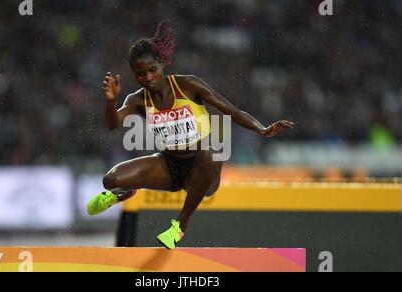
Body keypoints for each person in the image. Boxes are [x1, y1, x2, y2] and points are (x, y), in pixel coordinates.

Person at [87, 21, 294, 249]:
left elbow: (232, 111)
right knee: (111, 180)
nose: (148, 78)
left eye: (152, 70)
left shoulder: (188, 85)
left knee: (213, 150)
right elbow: (113, 123)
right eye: (140, 74)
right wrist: (111, 101)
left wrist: (262, 129)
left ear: (163, 63)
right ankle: (125, 191)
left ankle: (179, 227)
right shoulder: (137, 100)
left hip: (202, 171)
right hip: (169, 164)